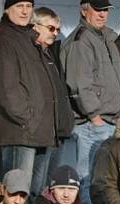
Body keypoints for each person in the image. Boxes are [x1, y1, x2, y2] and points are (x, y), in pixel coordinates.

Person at [61, 0, 120, 204]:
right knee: (89, 184)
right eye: (97, 9)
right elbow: (79, 85)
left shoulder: (107, 37)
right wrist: (95, 117)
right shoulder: (81, 41)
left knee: (106, 185)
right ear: (83, 8)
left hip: (112, 123)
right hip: (93, 125)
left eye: (105, 10)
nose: (102, 14)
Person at [0, 1, 62, 196]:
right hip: (20, 133)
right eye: (19, 5)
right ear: (7, 8)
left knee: (34, 196)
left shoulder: (28, 38)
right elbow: (6, 89)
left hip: (40, 132)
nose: (25, 11)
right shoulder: (4, 38)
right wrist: (28, 118)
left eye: (28, 6)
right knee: (16, 196)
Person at [31, 6, 76, 177]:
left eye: (58, 29)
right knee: (35, 184)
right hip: (41, 130)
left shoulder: (53, 52)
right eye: (51, 28)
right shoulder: (31, 54)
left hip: (57, 130)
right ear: (36, 27)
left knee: (49, 184)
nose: (55, 33)